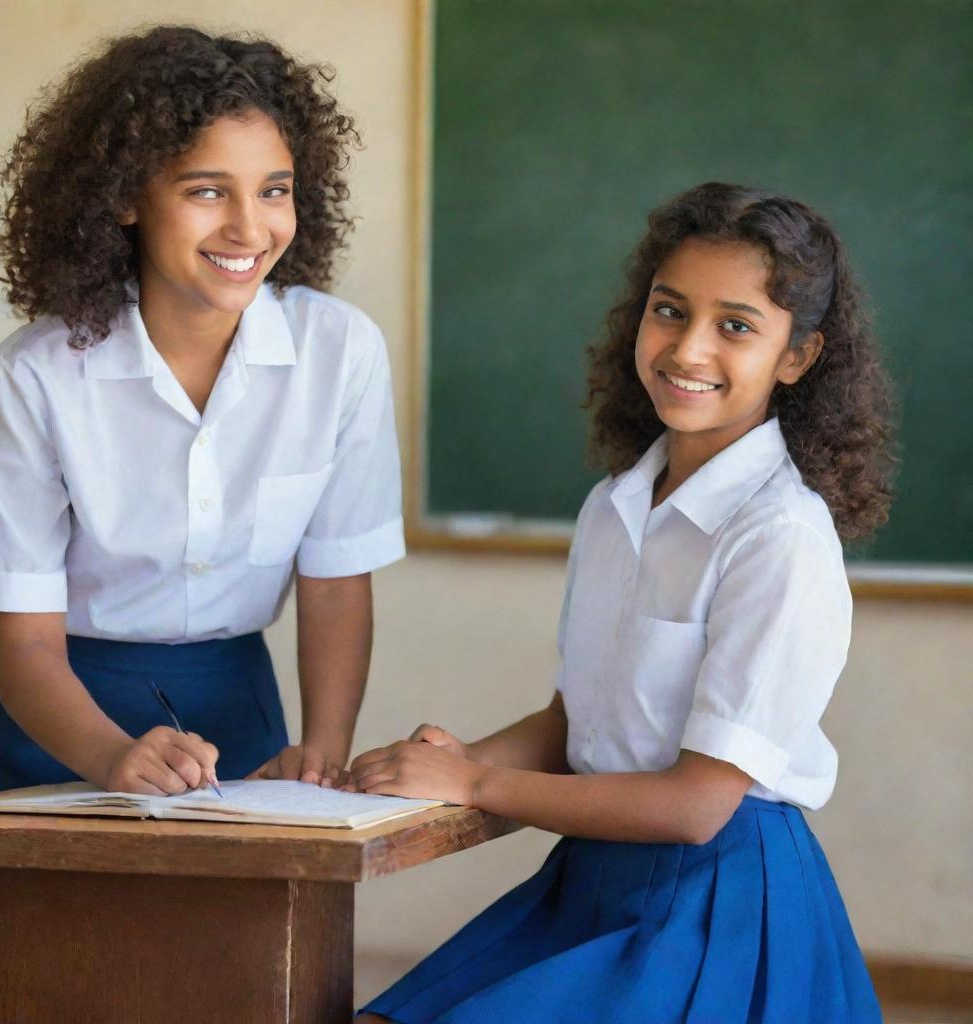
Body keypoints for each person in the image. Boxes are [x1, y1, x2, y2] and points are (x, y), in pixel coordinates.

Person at [352, 182, 893, 1022]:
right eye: (669, 311)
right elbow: (577, 723)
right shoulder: (616, 505)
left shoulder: (779, 535)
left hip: (719, 900)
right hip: (593, 876)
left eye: (736, 326)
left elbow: (691, 806)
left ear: (799, 357)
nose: (688, 349)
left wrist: (476, 780)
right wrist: (444, 763)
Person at [0, 25, 404, 799]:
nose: (249, 227)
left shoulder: (341, 352)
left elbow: (333, 585)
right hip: (57, 722)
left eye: (274, 189)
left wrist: (322, 758)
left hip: (240, 718)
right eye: (205, 190)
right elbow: (23, 638)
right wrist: (109, 757)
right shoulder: (34, 376)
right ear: (125, 198)